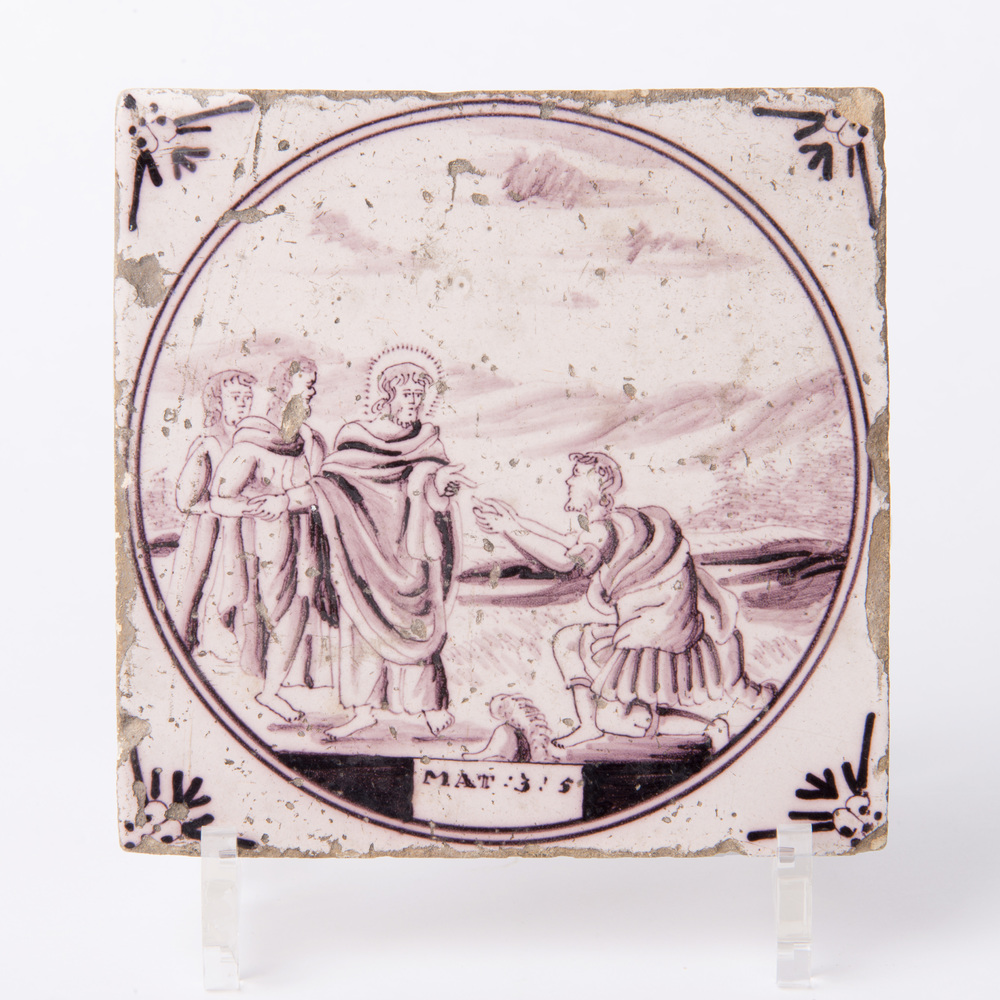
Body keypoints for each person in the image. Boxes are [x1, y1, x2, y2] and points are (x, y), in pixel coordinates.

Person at [473, 452, 774, 750]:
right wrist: (516, 522)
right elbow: (568, 543)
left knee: (625, 720)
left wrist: (509, 528)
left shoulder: (606, 529)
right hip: (650, 627)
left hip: (650, 637)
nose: (568, 480)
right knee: (567, 642)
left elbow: (566, 562)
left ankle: (710, 728)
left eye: (577, 474)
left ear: (600, 483)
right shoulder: (614, 524)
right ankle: (588, 726)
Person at [311, 356, 473, 740]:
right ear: (387, 395)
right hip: (365, 546)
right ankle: (362, 710)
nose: (414, 402)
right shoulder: (355, 436)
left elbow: (435, 490)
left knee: (420, 623)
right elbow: (335, 484)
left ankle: (429, 706)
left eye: (420, 395)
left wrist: (440, 485)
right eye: (407, 394)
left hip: (412, 551)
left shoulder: (428, 440)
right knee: (361, 625)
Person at [210, 357, 327, 721]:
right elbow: (219, 498)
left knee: (299, 609)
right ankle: (268, 688)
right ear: (283, 390)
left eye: (313, 385)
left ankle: (275, 689)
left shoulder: (311, 441)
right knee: (274, 612)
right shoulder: (253, 440)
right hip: (267, 540)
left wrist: (287, 500)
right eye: (306, 386)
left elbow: (322, 488)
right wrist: (254, 507)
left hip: (306, 539)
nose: (311, 393)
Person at [167, 369, 255, 653]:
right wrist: (216, 509)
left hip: (237, 531)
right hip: (206, 531)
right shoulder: (209, 443)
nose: (243, 403)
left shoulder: (248, 441)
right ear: (218, 402)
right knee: (193, 591)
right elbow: (185, 500)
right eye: (235, 397)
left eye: (248, 397)